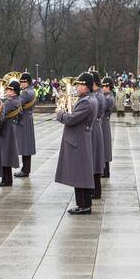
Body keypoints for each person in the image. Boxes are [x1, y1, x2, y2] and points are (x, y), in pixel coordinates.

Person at [55, 72, 96, 214]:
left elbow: (71, 119)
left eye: (79, 85)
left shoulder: (86, 101)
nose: (77, 87)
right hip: (80, 138)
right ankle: (82, 204)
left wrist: (60, 113)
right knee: (80, 173)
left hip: (79, 140)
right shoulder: (88, 99)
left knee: (81, 173)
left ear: (86, 87)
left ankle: (84, 205)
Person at [0, 79, 22, 186]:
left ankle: (6, 180)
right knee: (6, 154)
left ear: (14, 92)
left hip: (6, 129)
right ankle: (6, 179)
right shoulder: (15, 100)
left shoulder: (11, 102)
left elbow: (0, 113)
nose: (7, 91)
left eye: (9, 90)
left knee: (5, 155)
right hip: (10, 128)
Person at [16, 72, 37, 177]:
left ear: (27, 82)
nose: (21, 84)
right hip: (28, 118)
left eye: (23, 82)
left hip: (23, 119)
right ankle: (25, 169)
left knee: (25, 146)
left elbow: (17, 103)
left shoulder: (25, 93)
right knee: (27, 145)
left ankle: (25, 170)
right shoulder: (31, 91)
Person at [89, 72, 106, 199]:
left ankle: (96, 191)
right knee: (93, 160)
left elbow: (99, 112)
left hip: (94, 126)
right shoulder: (97, 95)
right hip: (95, 125)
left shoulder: (97, 96)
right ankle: (94, 190)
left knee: (94, 160)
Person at [101, 76, 116, 178]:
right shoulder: (107, 96)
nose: (102, 88)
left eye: (103, 86)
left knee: (104, 148)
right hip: (103, 123)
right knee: (103, 147)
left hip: (103, 124)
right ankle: (105, 171)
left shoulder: (108, 98)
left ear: (107, 87)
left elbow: (102, 105)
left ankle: (105, 171)